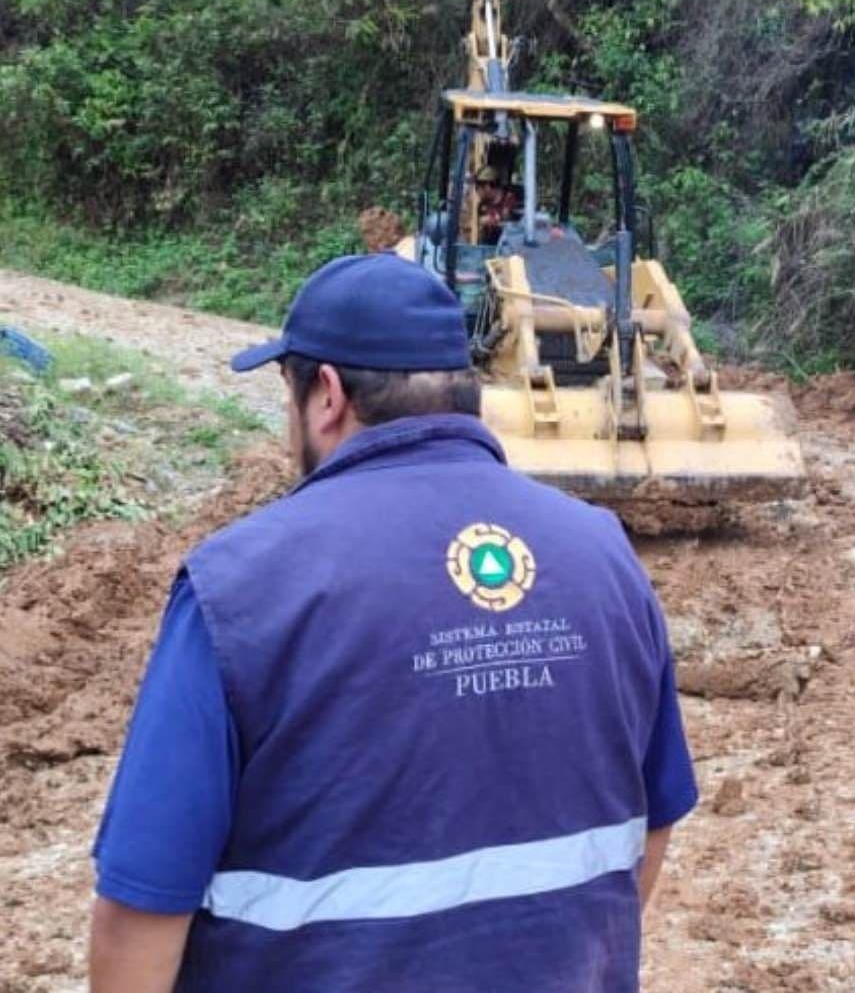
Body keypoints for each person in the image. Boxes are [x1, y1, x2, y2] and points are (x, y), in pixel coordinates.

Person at [89, 253, 698, 992]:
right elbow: (651, 822)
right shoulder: (604, 554)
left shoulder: (238, 586)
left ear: (327, 397)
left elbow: (142, 907)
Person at [475, 164, 518, 244]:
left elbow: (508, 220)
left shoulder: (510, 200)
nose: (477, 193)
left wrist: (493, 220)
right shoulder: (482, 205)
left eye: (478, 188)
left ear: (487, 186)